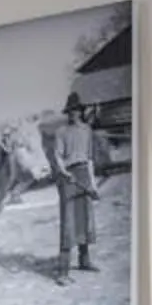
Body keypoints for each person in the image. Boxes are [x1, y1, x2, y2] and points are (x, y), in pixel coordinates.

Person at [52, 92, 100, 280]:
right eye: (70, 111)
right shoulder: (61, 132)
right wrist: (64, 172)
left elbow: (89, 159)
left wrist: (93, 184)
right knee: (69, 222)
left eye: (76, 110)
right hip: (68, 177)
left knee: (85, 219)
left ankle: (84, 261)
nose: (74, 113)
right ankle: (63, 271)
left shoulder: (87, 130)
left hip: (84, 176)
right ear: (67, 113)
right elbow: (57, 156)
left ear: (81, 111)